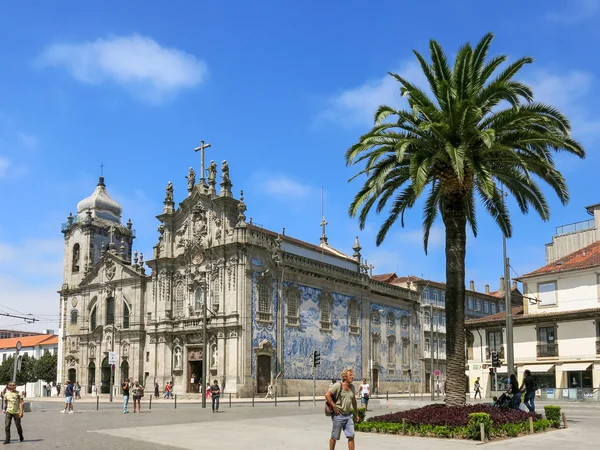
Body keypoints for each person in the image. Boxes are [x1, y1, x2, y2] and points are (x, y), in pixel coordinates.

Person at [325, 368, 358, 450]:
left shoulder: (352, 387)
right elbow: (327, 395)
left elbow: (354, 401)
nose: (352, 376)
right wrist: (334, 406)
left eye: (352, 375)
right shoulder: (337, 385)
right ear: (345, 377)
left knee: (351, 436)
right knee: (334, 437)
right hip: (338, 415)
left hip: (348, 416)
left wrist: (356, 414)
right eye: (350, 375)